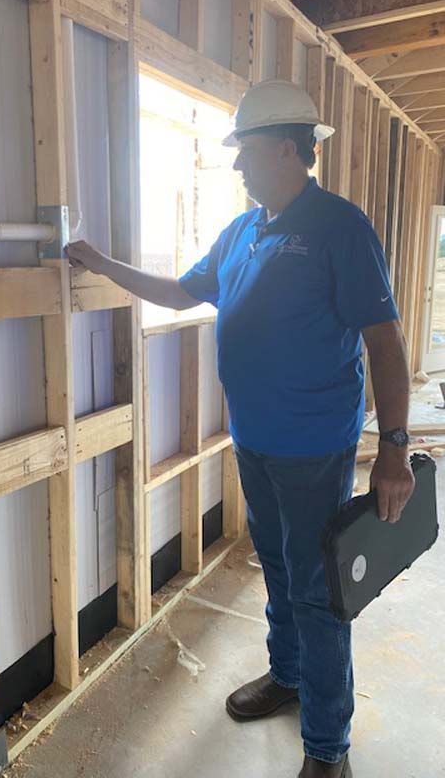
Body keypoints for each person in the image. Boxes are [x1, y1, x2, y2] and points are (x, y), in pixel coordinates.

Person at [66, 79, 415, 778]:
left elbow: (384, 340)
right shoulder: (241, 232)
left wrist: (394, 451)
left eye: (246, 153)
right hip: (254, 441)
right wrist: (100, 263)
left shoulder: (338, 227)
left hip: (316, 448)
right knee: (280, 574)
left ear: (289, 151)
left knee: (319, 594)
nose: (237, 167)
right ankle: (287, 678)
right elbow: (178, 291)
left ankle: (327, 748)